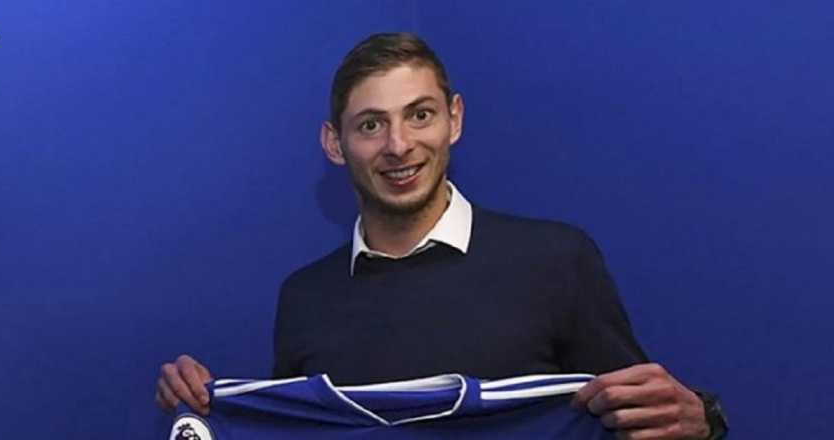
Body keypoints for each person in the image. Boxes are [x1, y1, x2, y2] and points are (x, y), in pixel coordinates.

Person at [157, 33, 726, 439]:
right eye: (371, 125)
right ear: (334, 143)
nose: (399, 145)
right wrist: (205, 406)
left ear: (455, 118)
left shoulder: (557, 260)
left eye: (420, 115)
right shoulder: (304, 296)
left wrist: (704, 421)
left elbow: (646, 416)